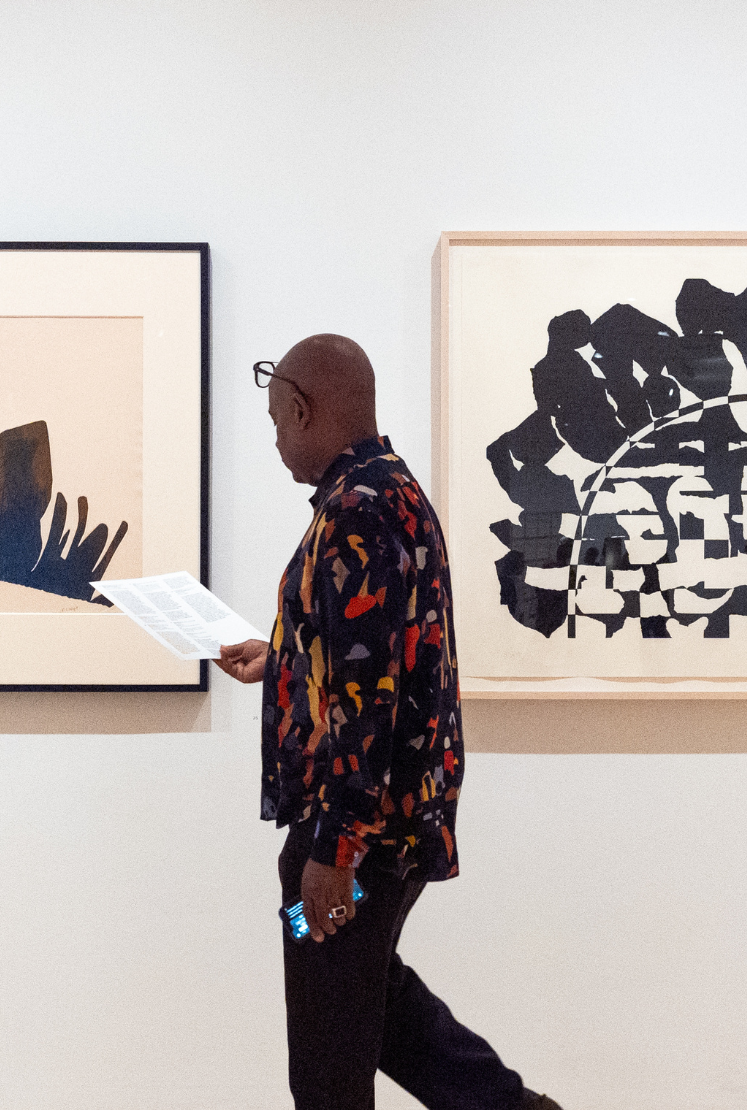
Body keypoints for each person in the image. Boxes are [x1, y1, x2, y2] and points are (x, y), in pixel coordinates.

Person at [215, 334, 563, 1110]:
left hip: (350, 841)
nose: (275, 441)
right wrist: (282, 661)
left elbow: (366, 705)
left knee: (328, 1057)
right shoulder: (393, 492)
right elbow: (377, 660)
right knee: (378, 1010)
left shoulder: (355, 516)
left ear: (303, 407)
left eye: (277, 423)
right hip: (389, 831)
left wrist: (331, 855)